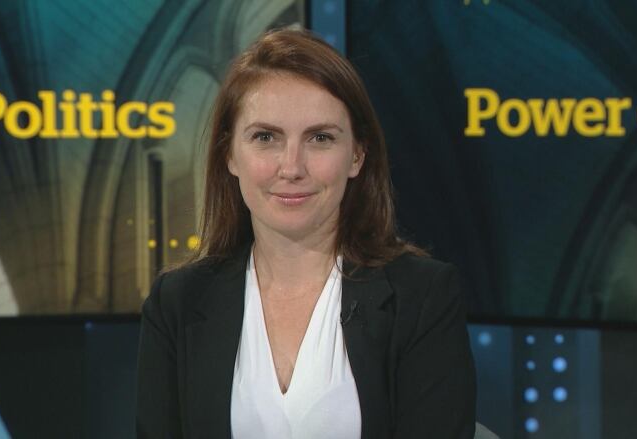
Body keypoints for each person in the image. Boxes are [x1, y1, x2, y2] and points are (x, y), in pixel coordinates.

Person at [136, 27, 476, 439]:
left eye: (319, 138)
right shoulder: (178, 302)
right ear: (229, 155)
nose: (292, 166)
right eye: (266, 137)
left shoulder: (422, 297)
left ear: (356, 155)